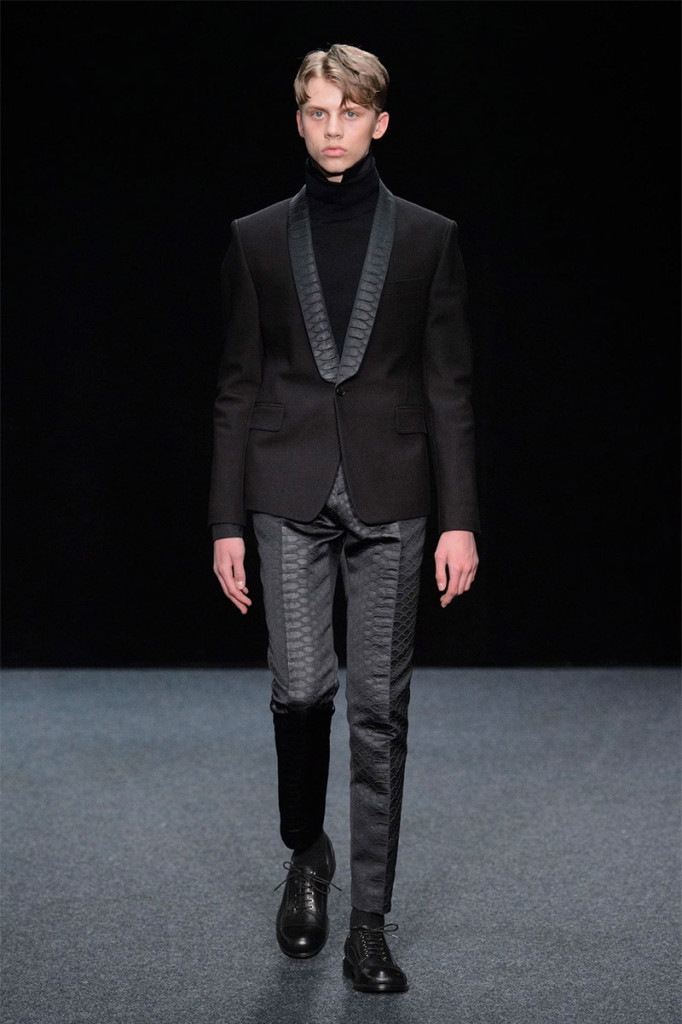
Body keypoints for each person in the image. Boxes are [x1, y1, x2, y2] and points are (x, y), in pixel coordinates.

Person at [209, 43, 479, 994]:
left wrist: (460, 517)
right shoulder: (255, 237)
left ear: (379, 122)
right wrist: (224, 521)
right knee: (298, 692)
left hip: (395, 494)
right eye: (317, 112)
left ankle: (369, 925)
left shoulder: (428, 238)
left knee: (378, 712)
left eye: (349, 112)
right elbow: (237, 386)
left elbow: (448, 387)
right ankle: (306, 848)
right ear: (299, 120)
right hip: (283, 492)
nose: (333, 129)